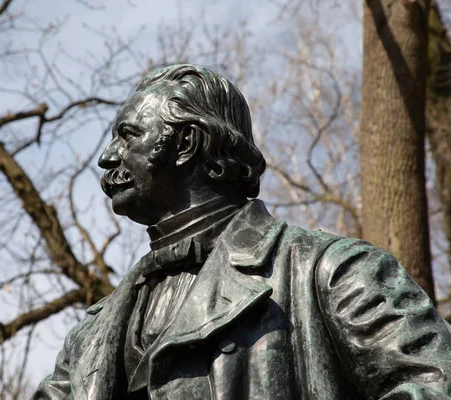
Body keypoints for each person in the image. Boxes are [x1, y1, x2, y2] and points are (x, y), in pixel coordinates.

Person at [32, 64, 451, 400]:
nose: (108, 158)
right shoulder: (90, 336)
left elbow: (432, 385)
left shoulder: (329, 271)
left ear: (186, 143)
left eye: (128, 136)